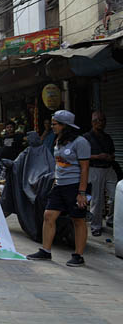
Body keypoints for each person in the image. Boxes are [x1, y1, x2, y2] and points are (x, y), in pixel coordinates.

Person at [27, 110, 90, 267]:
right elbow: (58, 164)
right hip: (59, 186)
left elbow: (85, 168)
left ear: (65, 126)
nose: (52, 126)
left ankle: (78, 255)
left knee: (78, 219)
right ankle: (46, 251)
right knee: (48, 215)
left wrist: (81, 193)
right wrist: (55, 181)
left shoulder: (81, 142)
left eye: (55, 124)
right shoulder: (59, 140)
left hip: (74, 186)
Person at [84, 111, 117, 236]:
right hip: (95, 169)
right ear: (93, 122)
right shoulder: (86, 137)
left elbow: (113, 153)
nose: (101, 123)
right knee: (97, 200)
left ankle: (111, 219)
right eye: (98, 120)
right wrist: (97, 156)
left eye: (103, 120)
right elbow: (82, 155)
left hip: (108, 168)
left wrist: (109, 157)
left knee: (116, 195)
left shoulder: (107, 137)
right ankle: (95, 225)